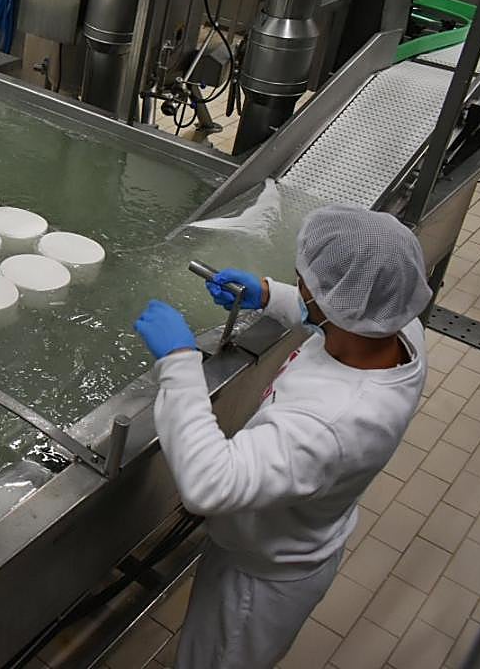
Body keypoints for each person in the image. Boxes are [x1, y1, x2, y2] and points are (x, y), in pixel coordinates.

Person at [133, 204, 433, 669]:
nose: (306, 285)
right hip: (269, 534)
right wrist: (272, 295)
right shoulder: (396, 325)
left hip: (260, 583)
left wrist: (178, 360)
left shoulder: (334, 422)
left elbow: (209, 484)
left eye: (306, 281)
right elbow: (345, 306)